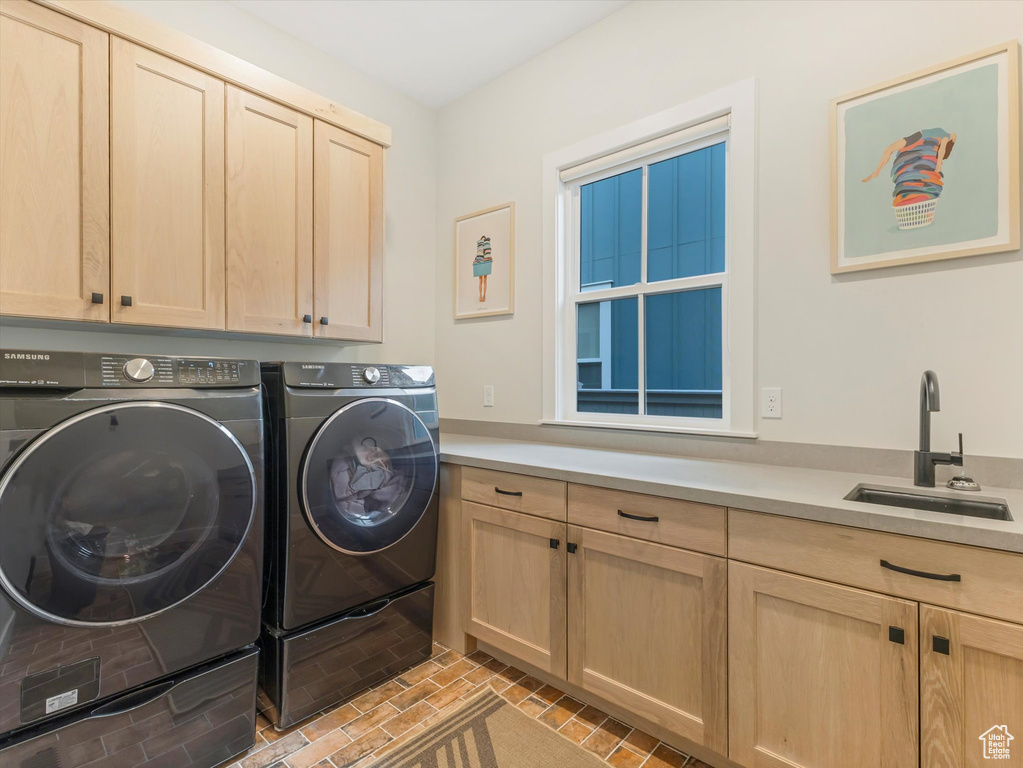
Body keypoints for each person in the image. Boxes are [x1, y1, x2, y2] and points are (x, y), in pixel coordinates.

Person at [862, 128, 957, 209]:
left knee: (890, 149)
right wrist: (938, 166)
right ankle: (876, 172)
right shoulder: (946, 136)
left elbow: (942, 149)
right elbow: (942, 148)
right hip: (919, 136)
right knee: (890, 149)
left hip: (917, 136)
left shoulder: (943, 136)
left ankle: (876, 172)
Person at [472, 235, 493, 302]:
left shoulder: (487, 247)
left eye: (484, 239)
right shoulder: (480, 248)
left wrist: (490, 258)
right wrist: (475, 261)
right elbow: (478, 254)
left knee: (485, 280)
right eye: (482, 239)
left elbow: (488, 253)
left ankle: (484, 295)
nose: (483, 240)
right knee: (480, 281)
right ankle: (480, 295)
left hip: (485, 262)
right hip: (480, 261)